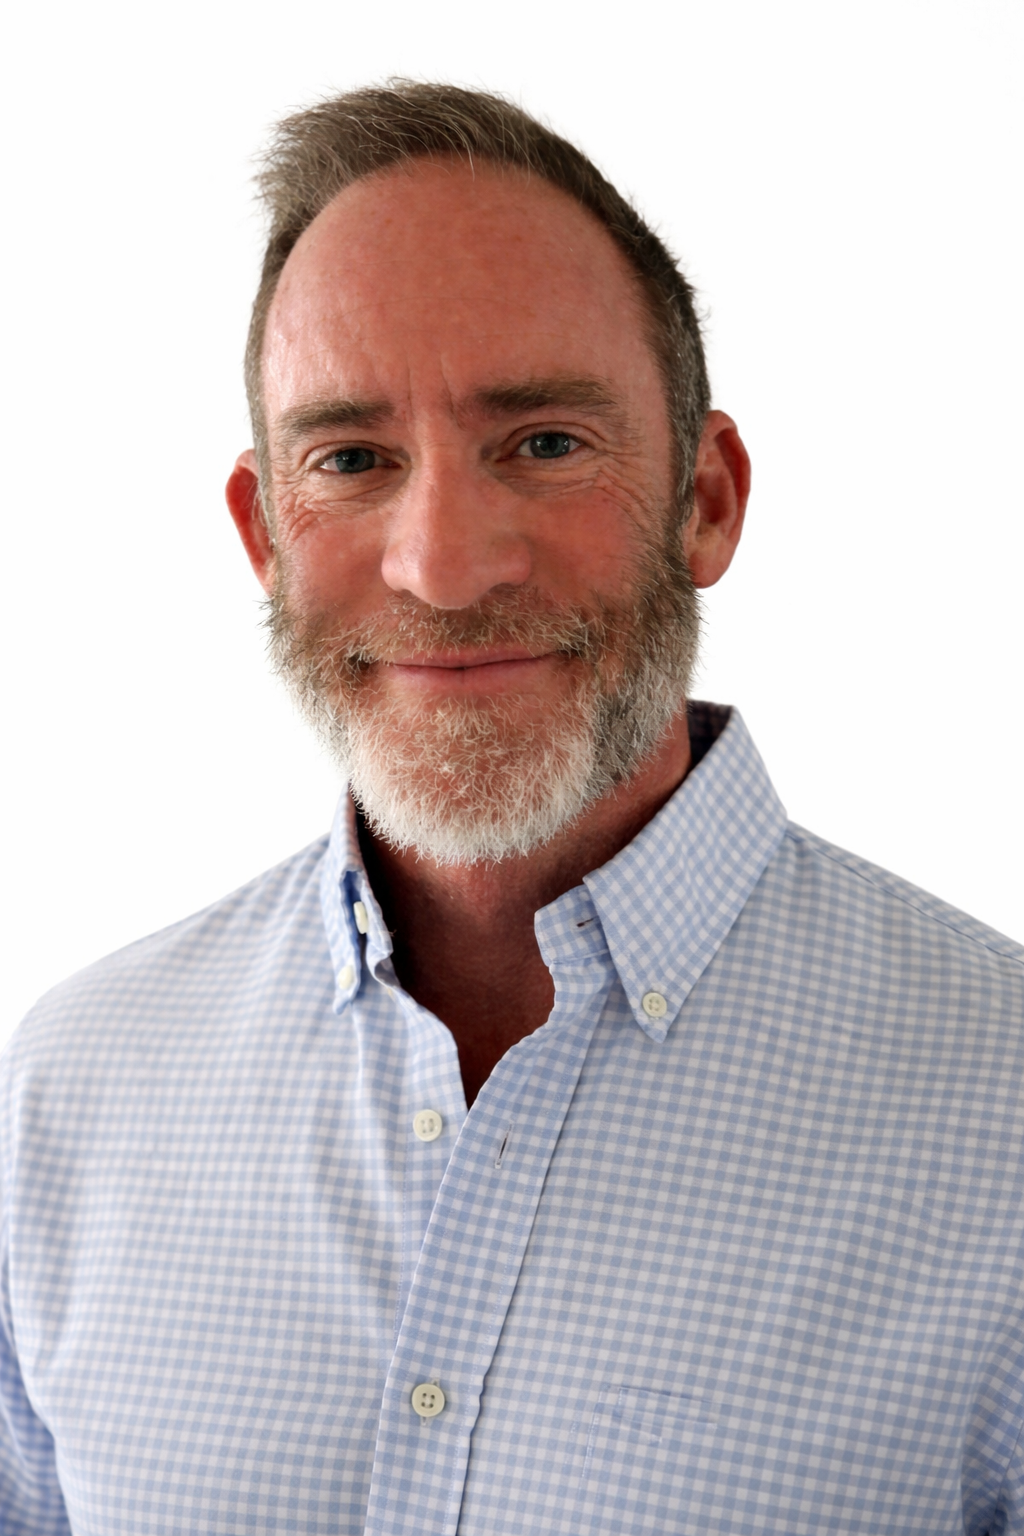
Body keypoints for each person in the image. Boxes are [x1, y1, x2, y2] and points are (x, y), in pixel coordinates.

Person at [1, 80, 1022, 1536]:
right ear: (265, 534)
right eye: (350, 460)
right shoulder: (69, 1097)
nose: (442, 566)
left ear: (708, 498)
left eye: (542, 442)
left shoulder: (1001, 1106)